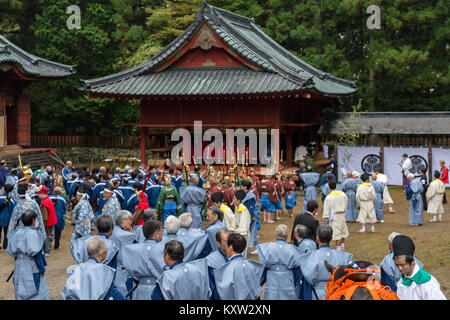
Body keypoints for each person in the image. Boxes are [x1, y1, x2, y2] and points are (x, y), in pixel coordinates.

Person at [297, 225, 353, 300]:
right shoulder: (343, 257)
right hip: (336, 294)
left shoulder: (309, 257)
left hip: (317, 294)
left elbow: (307, 279)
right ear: (331, 238)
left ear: (317, 238)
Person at [7, 210, 49, 300]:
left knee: (19, 288)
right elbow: (38, 254)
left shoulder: (17, 233)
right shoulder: (34, 234)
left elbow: (12, 251)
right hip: (31, 264)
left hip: (19, 264)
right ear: (33, 220)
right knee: (34, 289)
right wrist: (42, 267)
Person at [120, 220, 166, 300]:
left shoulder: (132, 249)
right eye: (161, 231)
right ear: (156, 233)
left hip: (140, 289)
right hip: (159, 289)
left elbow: (129, 268)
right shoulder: (164, 249)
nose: (162, 234)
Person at [392, 235, 446, 300]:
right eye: (397, 265)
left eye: (402, 265)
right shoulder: (401, 282)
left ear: (412, 262)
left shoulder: (427, 283)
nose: (399, 268)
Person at [213, 233, 265, 300]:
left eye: (227, 246)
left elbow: (221, 294)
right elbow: (256, 292)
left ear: (230, 247)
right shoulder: (252, 266)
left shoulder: (226, 269)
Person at [257, 224, 302, 300]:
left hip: (272, 279)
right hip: (287, 280)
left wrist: (259, 284)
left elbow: (264, 269)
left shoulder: (268, 248)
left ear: (276, 235)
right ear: (287, 236)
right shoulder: (292, 249)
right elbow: (297, 270)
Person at [110, 210, 138, 296]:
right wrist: (132, 231)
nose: (131, 222)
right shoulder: (125, 235)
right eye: (129, 219)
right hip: (122, 271)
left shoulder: (112, 231)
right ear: (123, 220)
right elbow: (136, 247)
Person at [70, 182, 95, 259]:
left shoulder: (83, 204)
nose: (76, 196)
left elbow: (83, 219)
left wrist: (79, 231)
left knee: (77, 246)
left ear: (79, 195)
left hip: (81, 231)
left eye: (77, 195)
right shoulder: (84, 203)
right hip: (82, 230)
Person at [322, 180, 349, 251]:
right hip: (342, 215)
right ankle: (342, 246)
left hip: (335, 216)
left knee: (337, 234)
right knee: (342, 232)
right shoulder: (343, 194)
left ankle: (339, 249)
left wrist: (326, 219)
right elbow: (346, 203)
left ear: (329, 187)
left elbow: (326, 209)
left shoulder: (329, 197)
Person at [205, 229, 230, 299]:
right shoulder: (211, 261)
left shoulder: (236, 256)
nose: (229, 244)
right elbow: (211, 287)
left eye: (230, 241)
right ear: (218, 243)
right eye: (226, 242)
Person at [37, 186, 57, 257]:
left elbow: (44, 217)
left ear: (42, 194)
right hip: (51, 221)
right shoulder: (48, 200)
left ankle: (47, 251)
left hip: (47, 223)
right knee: (49, 236)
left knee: (47, 237)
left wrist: (42, 225)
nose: (38, 196)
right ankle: (47, 250)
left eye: (39, 194)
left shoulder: (45, 203)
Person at [239, 180, 259, 252]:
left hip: (250, 216)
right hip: (244, 216)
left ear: (245, 187)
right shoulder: (243, 193)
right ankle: (257, 248)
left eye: (242, 185)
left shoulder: (250, 196)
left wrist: (248, 218)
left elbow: (251, 208)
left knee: (252, 232)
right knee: (253, 232)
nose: (240, 187)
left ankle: (256, 248)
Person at [232, 190, 251, 257]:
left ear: (238, 200)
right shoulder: (237, 207)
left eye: (234, 198)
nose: (233, 200)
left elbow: (243, 226)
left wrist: (240, 235)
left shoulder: (243, 210)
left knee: (241, 254)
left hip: (242, 234)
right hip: (237, 232)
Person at [0, 181, 15, 251]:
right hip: (8, 218)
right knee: (6, 233)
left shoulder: (0, 197)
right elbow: (13, 210)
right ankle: (5, 247)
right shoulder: (11, 199)